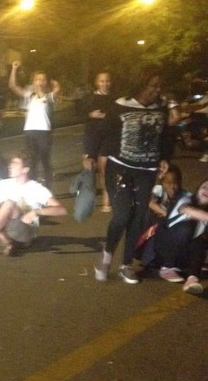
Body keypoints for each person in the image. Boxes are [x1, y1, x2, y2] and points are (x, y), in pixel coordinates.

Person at [94, 66, 177, 284]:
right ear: (141, 84)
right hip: (120, 168)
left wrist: (165, 158)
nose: (157, 90)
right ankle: (106, 258)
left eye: (160, 86)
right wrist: (93, 157)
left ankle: (126, 264)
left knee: (138, 218)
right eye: (153, 86)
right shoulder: (120, 106)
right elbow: (103, 136)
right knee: (121, 215)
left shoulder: (161, 108)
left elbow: (166, 137)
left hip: (147, 170)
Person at [0, 150, 67, 258]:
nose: (10, 166)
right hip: (3, 229)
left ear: (25, 169)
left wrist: (36, 212)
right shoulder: (4, 184)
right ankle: (7, 243)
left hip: (24, 232)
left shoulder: (36, 188)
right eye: (11, 163)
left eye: (15, 163)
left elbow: (62, 210)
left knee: (9, 204)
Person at [8, 61, 60, 189]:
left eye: (43, 79)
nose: (40, 82)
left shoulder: (49, 96)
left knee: (45, 161)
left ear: (45, 82)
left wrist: (54, 83)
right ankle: (33, 187)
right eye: (37, 79)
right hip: (30, 131)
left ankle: (48, 189)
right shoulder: (29, 95)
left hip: (44, 132)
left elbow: (57, 90)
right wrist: (14, 69)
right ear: (33, 81)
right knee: (32, 161)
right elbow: (13, 86)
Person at [136, 165, 193, 282]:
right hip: (156, 233)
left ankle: (171, 264)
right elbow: (150, 202)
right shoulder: (159, 190)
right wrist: (166, 213)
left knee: (185, 228)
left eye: (176, 183)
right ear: (162, 182)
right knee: (153, 219)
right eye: (168, 183)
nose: (172, 186)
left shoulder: (186, 196)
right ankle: (153, 261)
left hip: (172, 235)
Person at [81, 70, 115, 211]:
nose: (104, 84)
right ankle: (86, 201)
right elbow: (79, 115)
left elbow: (118, 116)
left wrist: (108, 116)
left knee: (104, 168)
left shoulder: (115, 99)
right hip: (92, 136)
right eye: (101, 81)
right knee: (89, 169)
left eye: (107, 81)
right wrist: (91, 114)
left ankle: (106, 201)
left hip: (107, 136)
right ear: (96, 82)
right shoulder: (89, 98)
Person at [179, 178, 208, 294]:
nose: (207, 191)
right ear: (198, 189)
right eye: (204, 187)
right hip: (170, 253)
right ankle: (192, 279)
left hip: (194, 256)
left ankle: (192, 277)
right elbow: (185, 210)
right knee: (200, 240)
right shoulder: (187, 199)